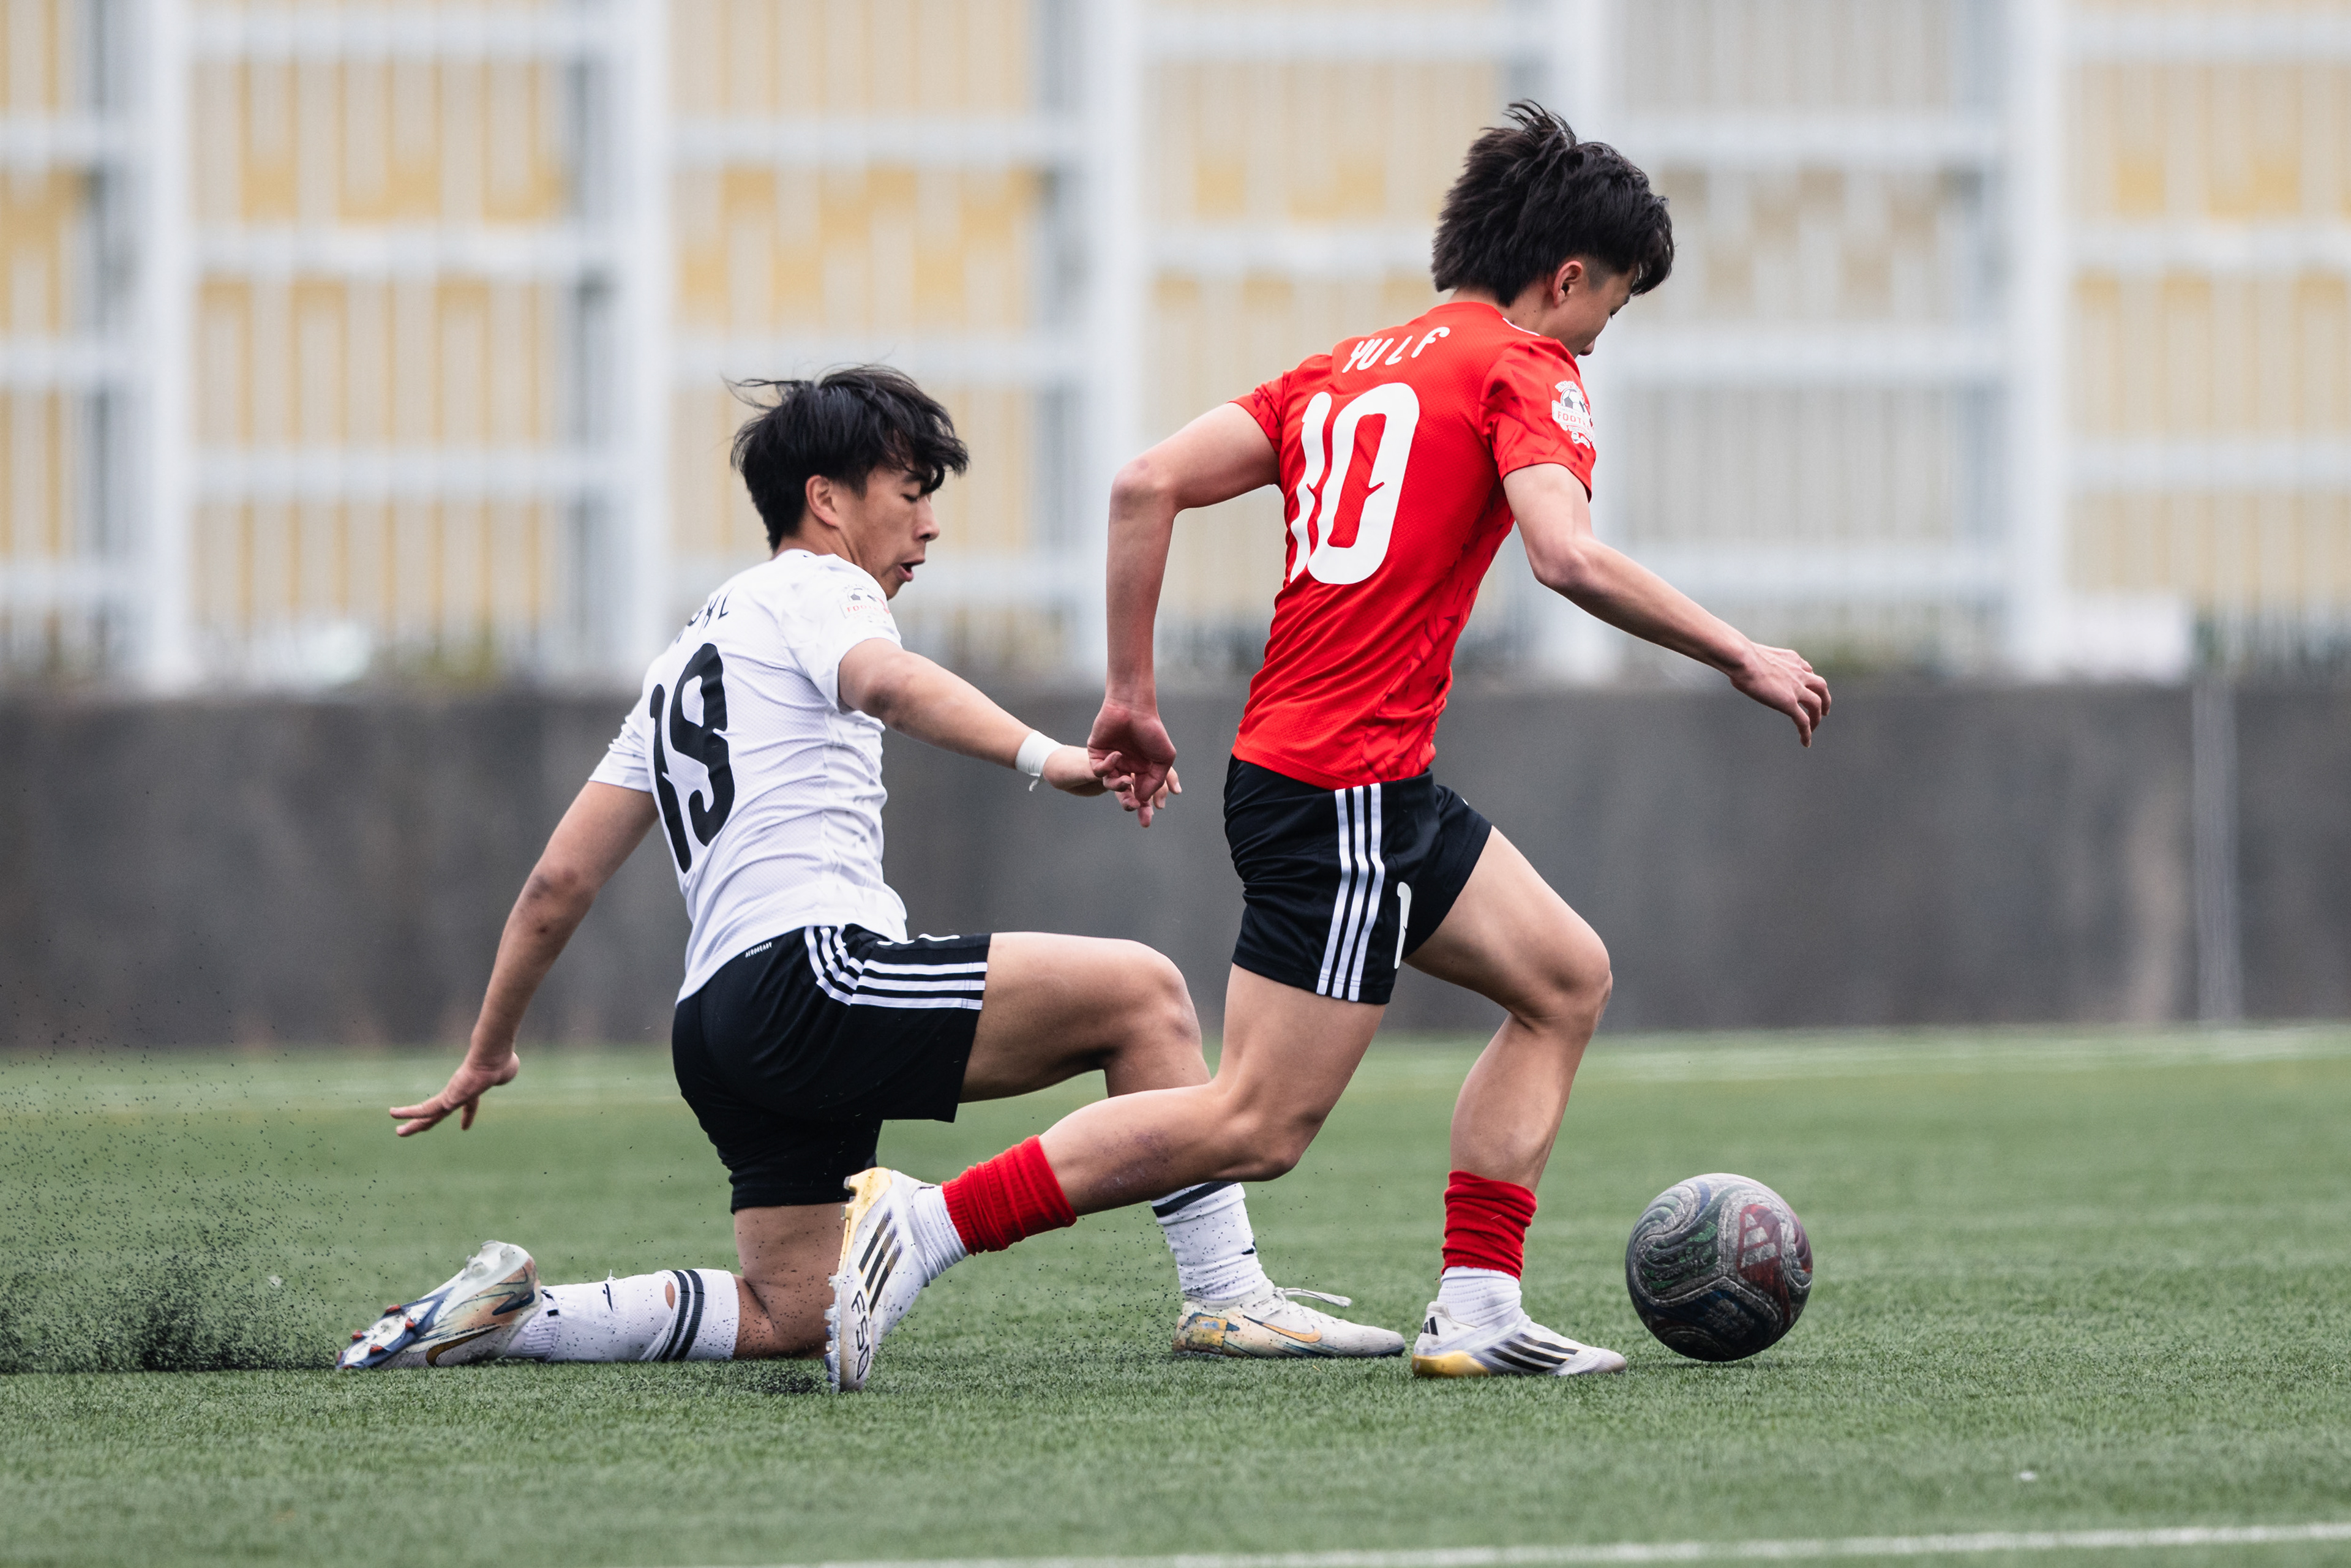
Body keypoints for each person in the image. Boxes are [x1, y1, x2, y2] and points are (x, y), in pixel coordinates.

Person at [829, 104, 1832, 1387]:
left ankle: (1478, 1306)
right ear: (1568, 275)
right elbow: (1565, 554)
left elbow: (1144, 484)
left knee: (1564, 979)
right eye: (1610, 308)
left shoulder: (1345, 368)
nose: (1598, 337)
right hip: (1344, 785)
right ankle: (927, 1223)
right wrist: (1740, 651)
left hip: (1348, 777)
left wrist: (1131, 692)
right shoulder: (1526, 366)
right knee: (1257, 1121)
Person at [336, 366, 1403, 1385]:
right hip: (811, 981)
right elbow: (885, 684)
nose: (929, 524)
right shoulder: (818, 586)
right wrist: (1055, 758)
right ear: (827, 500)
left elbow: (557, 882)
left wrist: (489, 1046)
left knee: (792, 1311)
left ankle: (516, 1317)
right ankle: (1228, 1295)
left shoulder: (680, 664)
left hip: (716, 1027)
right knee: (1147, 997)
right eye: (910, 490)